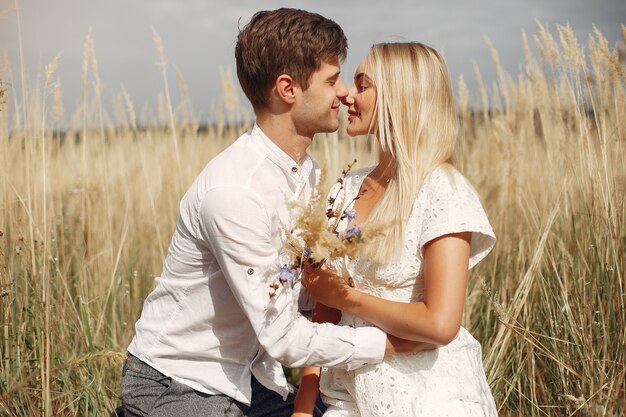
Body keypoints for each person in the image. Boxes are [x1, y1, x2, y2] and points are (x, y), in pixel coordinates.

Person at [120, 10, 427, 417]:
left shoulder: (310, 176)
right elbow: (281, 336)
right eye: (332, 80)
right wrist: (393, 344)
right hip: (179, 385)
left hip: (253, 378)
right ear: (287, 89)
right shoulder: (235, 191)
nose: (344, 93)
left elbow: (296, 297)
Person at [295, 42, 498, 416]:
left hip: (427, 396)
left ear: (398, 96)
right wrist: (304, 407)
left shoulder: (443, 190)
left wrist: (347, 298)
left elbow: (439, 323)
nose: (347, 96)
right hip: (346, 397)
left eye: (362, 85)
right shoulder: (346, 188)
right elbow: (324, 314)